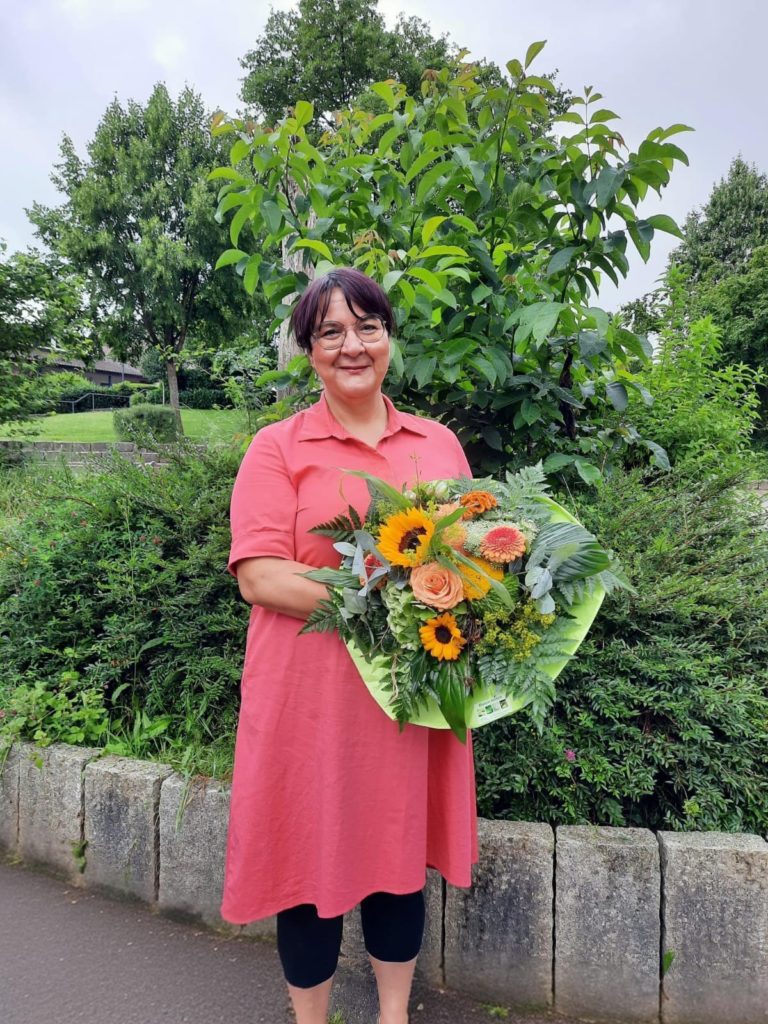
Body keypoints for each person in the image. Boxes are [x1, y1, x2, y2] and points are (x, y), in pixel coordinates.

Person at [220, 267, 479, 1024]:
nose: (352, 345)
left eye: (367, 326)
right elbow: (261, 576)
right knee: (306, 866)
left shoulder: (437, 443)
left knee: (399, 865)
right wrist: (393, 588)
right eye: (330, 331)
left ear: (389, 339)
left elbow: (477, 562)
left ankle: (393, 1015)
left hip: (407, 698)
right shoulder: (277, 447)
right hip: (307, 703)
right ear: (309, 352)